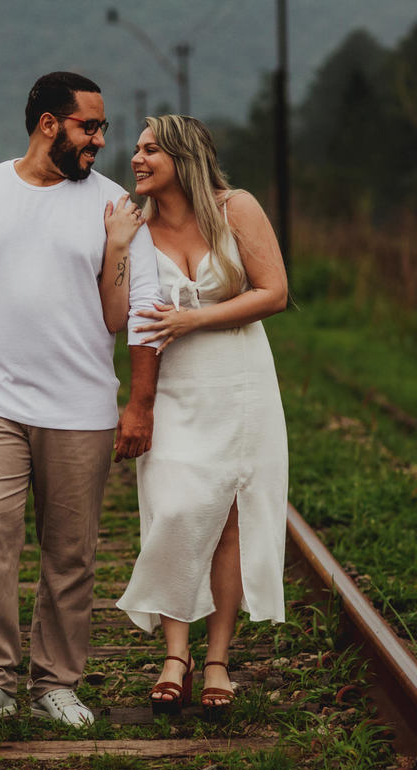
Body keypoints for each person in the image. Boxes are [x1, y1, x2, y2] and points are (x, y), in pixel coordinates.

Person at [0, 71, 161, 727]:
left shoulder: (115, 205)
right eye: (90, 126)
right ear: (49, 125)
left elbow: (139, 310)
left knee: (71, 552)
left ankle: (57, 681)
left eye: (103, 128)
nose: (102, 140)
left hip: (80, 407)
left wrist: (138, 404)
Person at [104, 115, 289, 717]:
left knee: (228, 520)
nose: (136, 158)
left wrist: (194, 319)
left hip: (236, 381)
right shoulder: (136, 227)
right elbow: (115, 314)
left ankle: (215, 661)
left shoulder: (235, 208)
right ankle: (173, 655)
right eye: (136, 148)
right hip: (171, 384)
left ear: (183, 158)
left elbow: (274, 292)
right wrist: (113, 249)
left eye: (150, 149)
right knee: (174, 511)